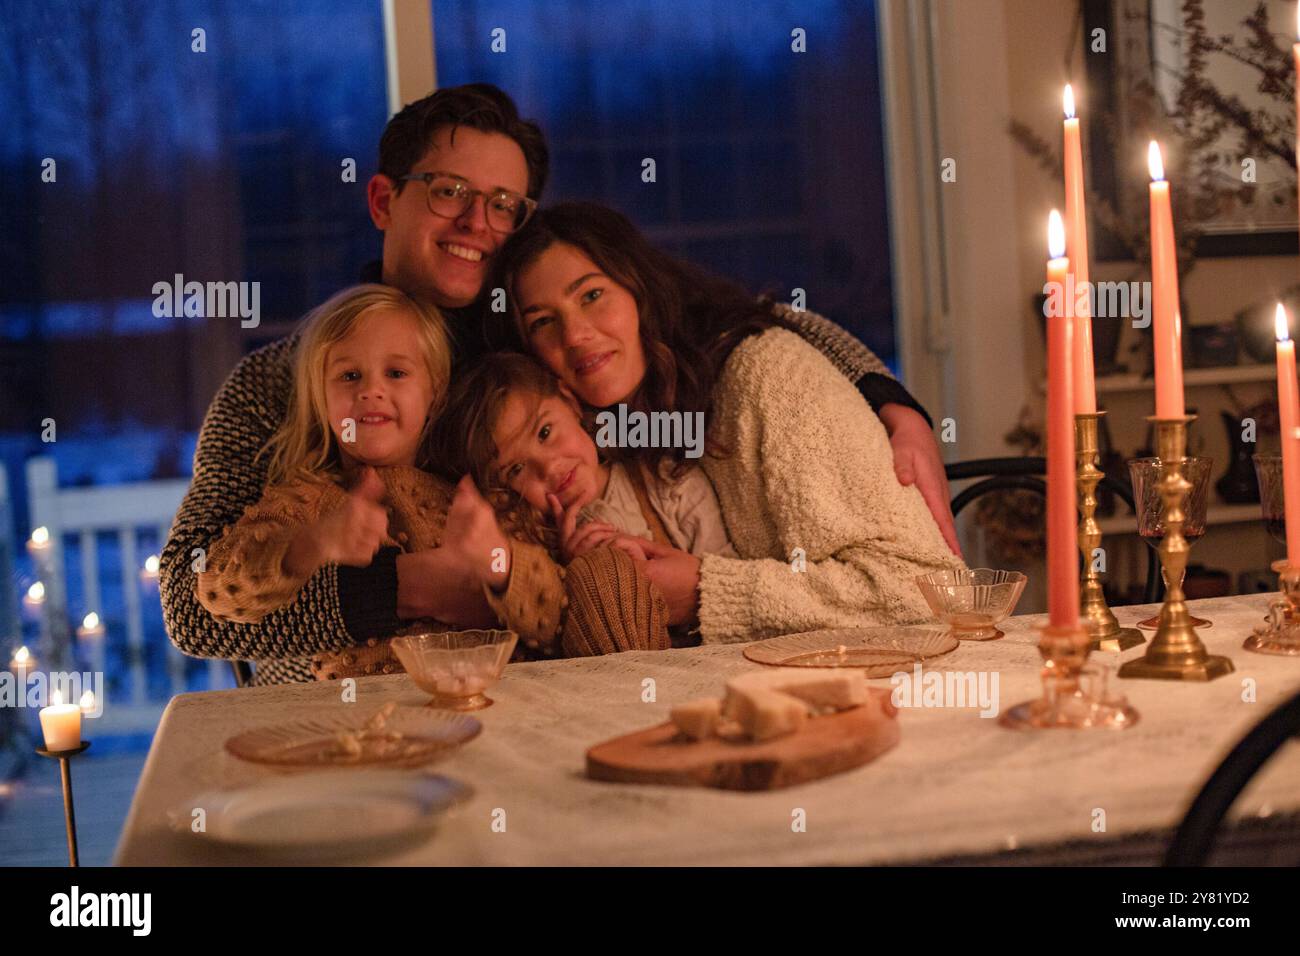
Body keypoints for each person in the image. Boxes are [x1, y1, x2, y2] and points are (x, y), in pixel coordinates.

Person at [161, 83, 957, 683]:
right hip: (337, 735)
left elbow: (724, 320)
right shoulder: (280, 383)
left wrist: (884, 392)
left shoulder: (525, 350)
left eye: (503, 204)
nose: (477, 222)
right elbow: (190, 610)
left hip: (531, 713)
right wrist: (403, 589)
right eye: (448, 192)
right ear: (382, 199)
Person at [491, 202, 965, 642]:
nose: (575, 335)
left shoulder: (768, 379)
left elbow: (926, 593)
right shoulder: (607, 432)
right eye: (543, 322)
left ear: (640, 289)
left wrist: (706, 592)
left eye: (592, 294)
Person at [193, 286, 567, 673]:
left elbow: (556, 620)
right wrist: (314, 543)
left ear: (435, 392)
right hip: (368, 727)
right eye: (349, 375)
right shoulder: (306, 501)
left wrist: (499, 562)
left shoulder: (475, 494)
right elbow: (216, 590)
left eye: (396, 373)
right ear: (319, 398)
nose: (371, 391)